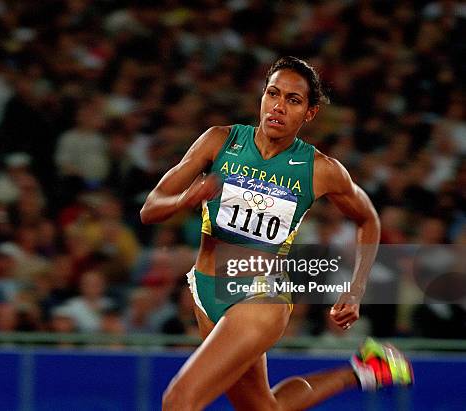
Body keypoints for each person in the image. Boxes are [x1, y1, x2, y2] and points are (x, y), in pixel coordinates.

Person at [140, 56, 413, 411]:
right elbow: (150, 208)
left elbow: (369, 220)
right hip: (206, 290)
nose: (278, 107)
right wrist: (183, 199)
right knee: (263, 408)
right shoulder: (220, 141)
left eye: (293, 100)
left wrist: (356, 287)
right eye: (273, 94)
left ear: (309, 114)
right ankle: (362, 370)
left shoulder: (321, 170)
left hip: (261, 294)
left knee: (179, 401)